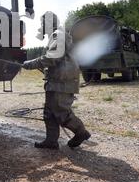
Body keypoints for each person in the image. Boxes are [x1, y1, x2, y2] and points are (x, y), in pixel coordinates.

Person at [22, 11, 91, 149]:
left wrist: (31, 63)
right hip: (56, 81)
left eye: (43, 23)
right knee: (49, 112)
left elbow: (52, 57)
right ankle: (51, 141)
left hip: (62, 82)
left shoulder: (58, 35)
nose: (42, 26)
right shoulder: (56, 36)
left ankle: (81, 132)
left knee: (61, 112)